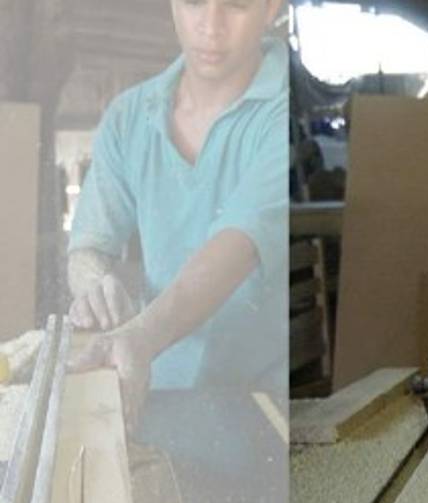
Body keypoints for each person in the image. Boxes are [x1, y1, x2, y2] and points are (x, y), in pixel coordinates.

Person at [67, 0, 287, 421]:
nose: (211, 26)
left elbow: (237, 244)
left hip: (263, 404)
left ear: (271, 8)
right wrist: (94, 285)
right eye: (194, 2)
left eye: (236, 5)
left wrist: (141, 335)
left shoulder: (283, 112)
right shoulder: (128, 117)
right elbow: (87, 247)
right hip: (151, 384)